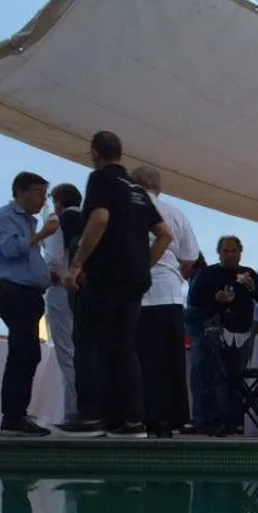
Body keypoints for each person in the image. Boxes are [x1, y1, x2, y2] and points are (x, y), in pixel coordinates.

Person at [64, 130, 174, 437]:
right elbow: (165, 233)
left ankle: (88, 417)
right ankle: (132, 421)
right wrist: (143, 263)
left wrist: (77, 264)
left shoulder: (100, 180)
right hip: (135, 280)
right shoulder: (136, 189)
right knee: (124, 348)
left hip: (107, 275)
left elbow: (99, 219)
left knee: (86, 341)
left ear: (95, 154)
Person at [0, 171, 55, 435]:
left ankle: (17, 413)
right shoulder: (4, 218)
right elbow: (12, 250)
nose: (42, 200)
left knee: (28, 353)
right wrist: (43, 234)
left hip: (29, 293)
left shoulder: (27, 222)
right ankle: (13, 416)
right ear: (22, 191)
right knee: (22, 352)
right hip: (15, 293)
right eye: (39, 194)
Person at [131, 164, 200, 437]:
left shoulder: (128, 210)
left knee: (141, 359)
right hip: (169, 293)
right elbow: (190, 256)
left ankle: (142, 415)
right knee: (170, 361)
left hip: (138, 294)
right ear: (158, 187)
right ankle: (171, 418)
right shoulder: (176, 213)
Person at [186, 235, 258, 436]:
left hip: (242, 332)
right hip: (215, 331)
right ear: (219, 253)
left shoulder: (248, 273)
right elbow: (194, 301)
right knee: (213, 378)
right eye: (226, 251)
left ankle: (234, 420)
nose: (230, 255)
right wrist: (215, 298)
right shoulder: (208, 274)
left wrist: (253, 287)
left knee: (236, 378)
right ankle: (211, 420)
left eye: (234, 251)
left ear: (240, 252)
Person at [42, 183, 83, 425]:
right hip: (85, 291)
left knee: (66, 352)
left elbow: (53, 258)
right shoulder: (89, 218)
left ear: (58, 202)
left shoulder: (58, 222)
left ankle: (73, 410)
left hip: (61, 288)